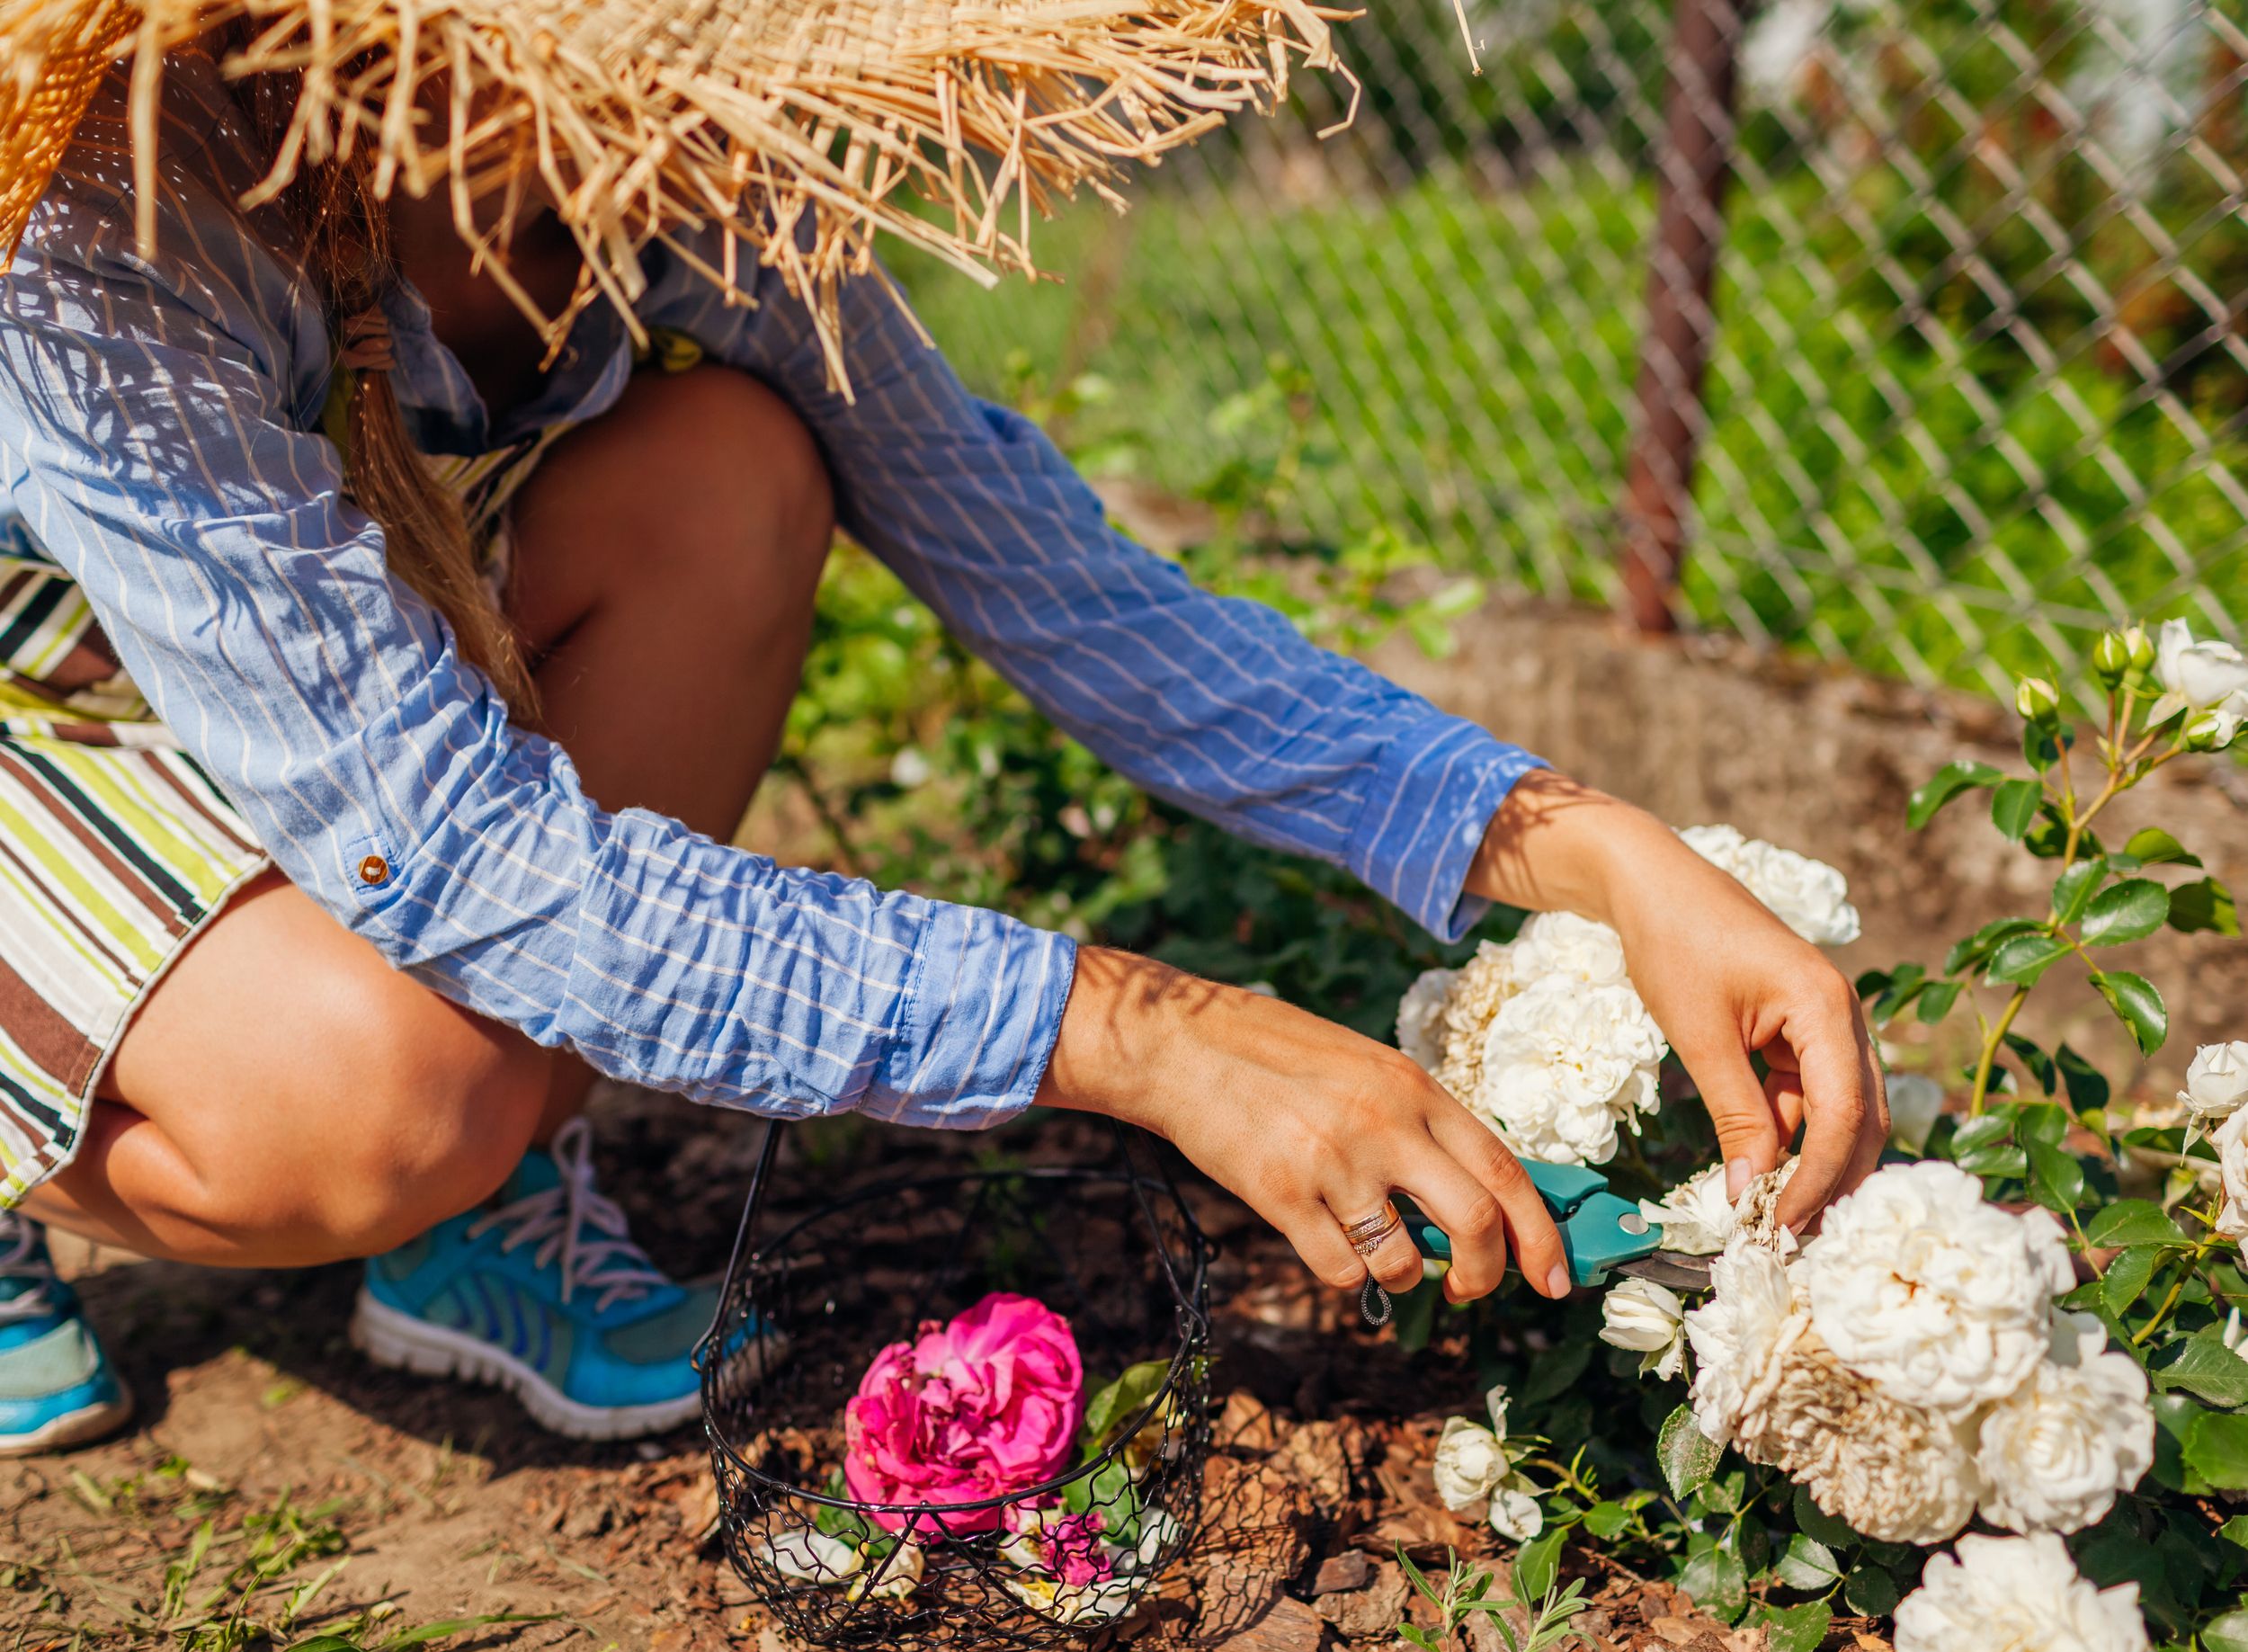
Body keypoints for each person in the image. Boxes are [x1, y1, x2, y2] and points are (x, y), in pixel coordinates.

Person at [0, 0, 1887, 1455]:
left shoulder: (668, 163)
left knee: (735, 475)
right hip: (50, 713)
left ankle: (481, 1184)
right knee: (383, 1098)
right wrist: (1158, 1037)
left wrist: (1608, 853)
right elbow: (481, 866)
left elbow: (1063, 590)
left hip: (357, 725)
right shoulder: (116, 225)